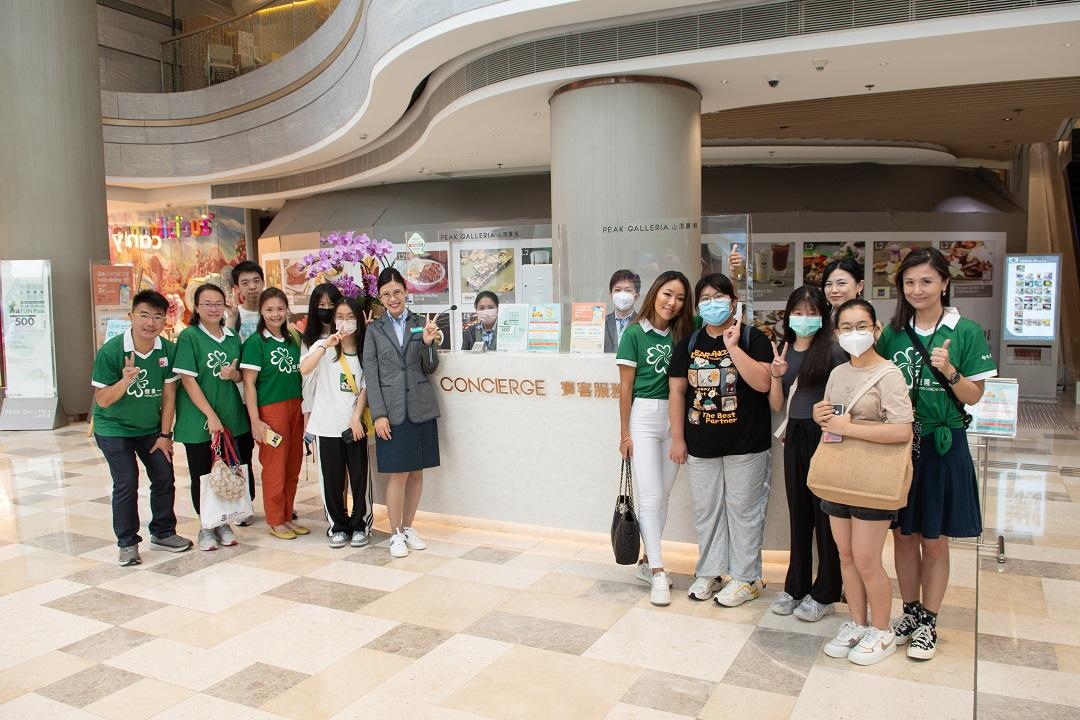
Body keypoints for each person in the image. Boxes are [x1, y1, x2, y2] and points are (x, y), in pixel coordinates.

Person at [877, 247, 996, 661]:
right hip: (900, 444)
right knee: (903, 535)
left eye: (926, 281)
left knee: (935, 539)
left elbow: (974, 396)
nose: (917, 290)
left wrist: (950, 372)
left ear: (945, 283)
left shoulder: (966, 332)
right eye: (909, 282)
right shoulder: (892, 334)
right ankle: (909, 611)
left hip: (943, 444)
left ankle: (929, 619)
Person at [814, 298, 914, 665]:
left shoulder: (889, 374)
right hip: (839, 473)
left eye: (861, 326)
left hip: (873, 478)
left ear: (876, 330)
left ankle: (882, 629)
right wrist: (820, 415)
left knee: (867, 559)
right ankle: (856, 623)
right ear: (836, 333)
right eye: (846, 327)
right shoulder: (838, 373)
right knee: (846, 556)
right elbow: (833, 421)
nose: (854, 333)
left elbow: (902, 431)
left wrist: (850, 428)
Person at [668, 273, 773, 607]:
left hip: (747, 444)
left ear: (733, 300)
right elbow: (677, 392)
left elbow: (763, 384)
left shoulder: (754, 337)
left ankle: (745, 578)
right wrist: (678, 438)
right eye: (705, 299)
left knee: (744, 512)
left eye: (719, 297)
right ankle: (710, 572)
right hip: (701, 444)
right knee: (707, 511)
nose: (712, 304)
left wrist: (733, 347)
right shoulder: (688, 343)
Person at [91, 290, 193, 566]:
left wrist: (165, 435)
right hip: (114, 428)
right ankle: (127, 543)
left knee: (164, 476)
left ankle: (163, 532)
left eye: (157, 317)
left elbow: (169, 395)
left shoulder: (167, 350)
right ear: (131, 317)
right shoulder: (112, 351)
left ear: (165, 320)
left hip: (150, 428)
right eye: (144, 315)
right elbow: (103, 400)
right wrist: (125, 381)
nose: (150, 322)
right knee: (126, 481)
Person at [615, 270, 694, 606]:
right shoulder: (634, 333)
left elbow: (722, 309)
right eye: (667, 294)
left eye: (680, 298)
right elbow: (625, 389)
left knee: (663, 497)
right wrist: (624, 434)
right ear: (654, 294)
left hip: (676, 419)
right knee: (650, 497)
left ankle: (648, 562)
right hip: (644, 418)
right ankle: (659, 571)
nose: (672, 303)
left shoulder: (685, 330)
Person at [768, 285, 846, 620]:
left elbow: (844, 400)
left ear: (823, 316)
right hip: (795, 435)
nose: (804, 318)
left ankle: (826, 592)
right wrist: (776, 376)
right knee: (798, 515)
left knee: (825, 516)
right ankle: (795, 586)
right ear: (788, 315)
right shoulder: (784, 350)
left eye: (812, 312)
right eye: (798, 312)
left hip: (825, 436)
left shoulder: (833, 351)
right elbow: (777, 405)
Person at [364, 268, 441, 559]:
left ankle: (408, 528)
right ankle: (395, 533)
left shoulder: (422, 324)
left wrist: (428, 344)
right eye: (386, 294)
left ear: (406, 292)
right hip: (391, 412)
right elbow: (371, 375)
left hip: (420, 407)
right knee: (398, 474)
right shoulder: (374, 330)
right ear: (379, 297)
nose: (393, 298)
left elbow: (430, 367)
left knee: (417, 472)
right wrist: (379, 414)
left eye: (397, 292)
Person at [173, 283, 254, 551]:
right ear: (196, 308)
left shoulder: (232, 337)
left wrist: (235, 375)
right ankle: (206, 526)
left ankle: (224, 522)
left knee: (227, 472)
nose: (213, 308)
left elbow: (241, 376)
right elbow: (188, 380)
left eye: (218, 303)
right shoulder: (190, 337)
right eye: (207, 304)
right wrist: (211, 416)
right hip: (200, 421)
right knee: (203, 474)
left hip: (231, 416)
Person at [301, 297, 371, 548]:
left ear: (359, 320)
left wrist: (356, 418)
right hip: (326, 427)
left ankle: (360, 524)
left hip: (354, 428)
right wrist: (326, 345)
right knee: (331, 481)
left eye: (351, 317)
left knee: (360, 479)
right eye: (340, 317)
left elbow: (365, 387)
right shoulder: (323, 346)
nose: (345, 322)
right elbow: (305, 368)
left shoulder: (365, 349)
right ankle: (338, 526)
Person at [240, 288, 307, 540]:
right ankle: (276, 519)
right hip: (271, 411)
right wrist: (255, 421)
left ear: (287, 310)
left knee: (293, 464)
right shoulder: (255, 343)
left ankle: (287, 515)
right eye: (269, 309)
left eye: (280, 309)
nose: (275, 314)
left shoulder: (293, 338)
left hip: (296, 407)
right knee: (274, 467)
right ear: (261, 312)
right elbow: (249, 384)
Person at [604, 269, 641, 353]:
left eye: (628, 290)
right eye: (617, 290)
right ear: (611, 295)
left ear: (636, 296)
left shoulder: (644, 324)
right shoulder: (601, 323)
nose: (622, 295)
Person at [229, 260, 265, 342]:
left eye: (256, 281)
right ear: (237, 288)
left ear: (263, 283)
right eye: (245, 283)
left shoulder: (274, 314)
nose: (252, 287)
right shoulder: (233, 315)